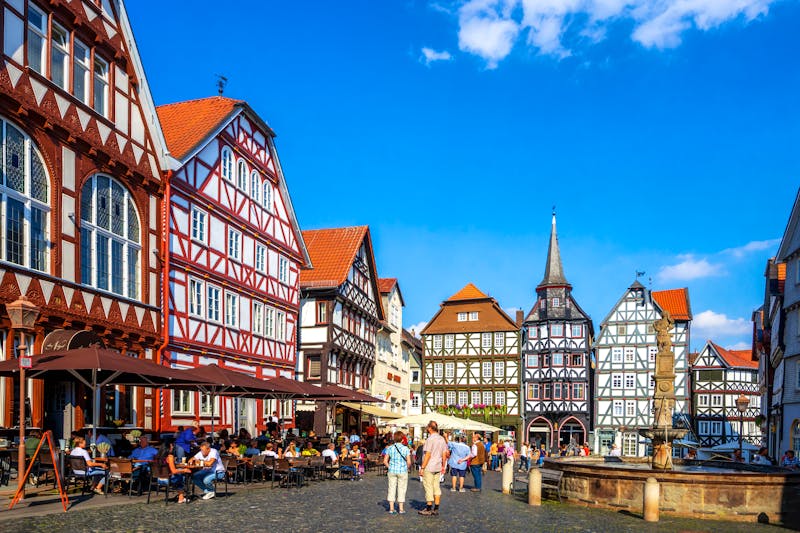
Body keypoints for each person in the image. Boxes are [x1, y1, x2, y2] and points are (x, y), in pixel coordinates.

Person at [419, 421, 448, 516]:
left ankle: (428, 508)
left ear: (430, 428)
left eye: (427, 427)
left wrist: (422, 467)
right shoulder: (442, 439)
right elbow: (444, 454)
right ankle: (436, 508)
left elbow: (428, 454)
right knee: (436, 486)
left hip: (429, 466)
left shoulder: (430, 439)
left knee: (428, 486)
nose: (427, 428)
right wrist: (443, 466)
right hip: (438, 466)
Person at [384, 430, 412, 514]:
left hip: (392, 471)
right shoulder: (406, 448)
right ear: (402, 439)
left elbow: (385, 461)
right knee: (402, 489)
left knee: (391, 488)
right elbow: (409, 462)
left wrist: (390, 467)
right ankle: (401, 508)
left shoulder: (390, 448)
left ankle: (391, 508)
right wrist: (406, 468)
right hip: (402, 471)